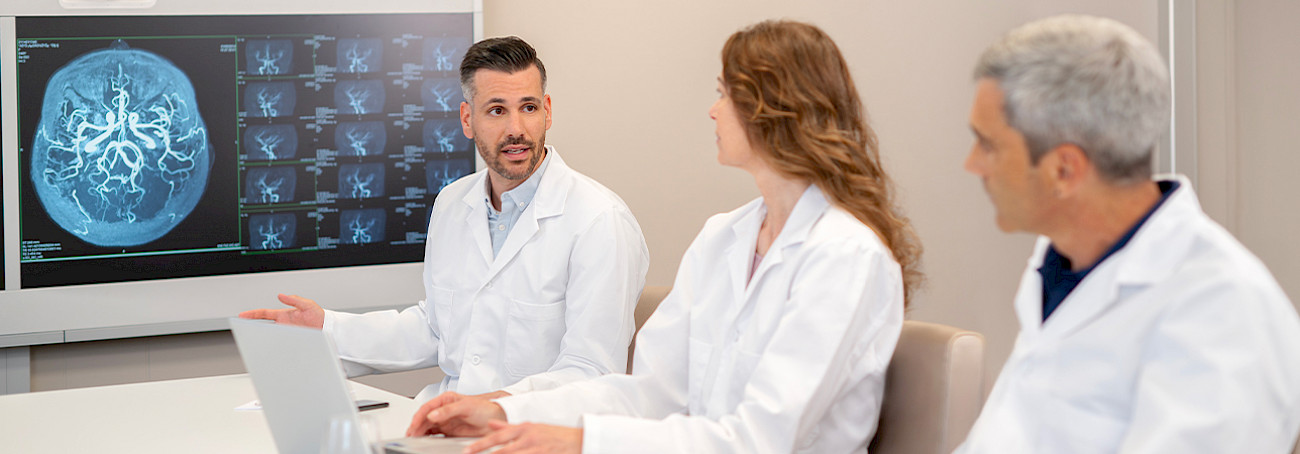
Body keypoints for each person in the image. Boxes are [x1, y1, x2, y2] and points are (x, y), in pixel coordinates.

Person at [404, 20, 923, 454]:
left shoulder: (846, 256)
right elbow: (650, 393)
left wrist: (580, 441)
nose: (713, 109)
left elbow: (760, 440)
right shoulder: (725, 237)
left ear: (776, 111)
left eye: (725, 94)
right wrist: (505, 412)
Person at [239, 36, 650, 404]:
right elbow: (437, 330)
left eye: (528, 108)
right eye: (496, 110)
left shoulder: (599, 221)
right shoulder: (453, 203)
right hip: (446, 422)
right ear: (467, 120)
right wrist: (327, 328)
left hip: (530, 433)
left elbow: (591, 373)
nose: (517, 129)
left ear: (547, 111)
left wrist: (490, 406)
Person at [956, 15, 1300, 453]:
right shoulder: (1063, 265)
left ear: (1064, 169)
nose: (973, 165)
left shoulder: (1223, 311)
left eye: (988, 145)